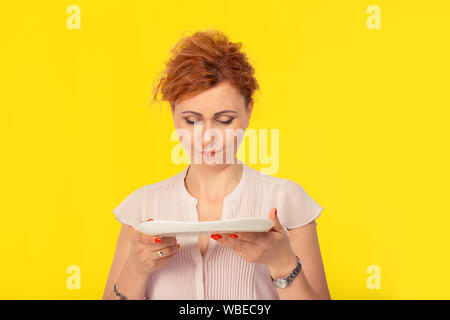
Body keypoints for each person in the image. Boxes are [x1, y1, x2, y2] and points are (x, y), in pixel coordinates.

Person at [103, 29, 330, 300]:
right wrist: (135, 270)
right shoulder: (141, 208)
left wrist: (283, 263)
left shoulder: (286, 200)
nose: (208, 135)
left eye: (224, 120)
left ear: (249, 111)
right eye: (191, 120)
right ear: (173, 113)